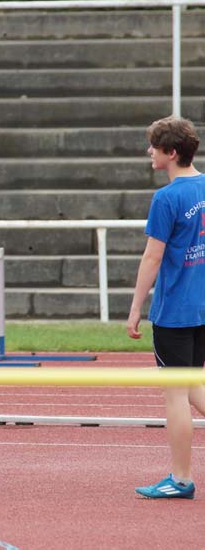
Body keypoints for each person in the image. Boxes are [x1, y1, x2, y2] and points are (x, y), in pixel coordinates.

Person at [127, 115, 205, 499]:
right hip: (202, 308)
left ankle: (180, 478)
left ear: (171, 153)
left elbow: (152, 258)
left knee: (176, 393)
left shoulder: (167, 198)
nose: (149, 152)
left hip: (176, 310)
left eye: (154, 147)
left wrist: (135, 308)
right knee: (192, 387)